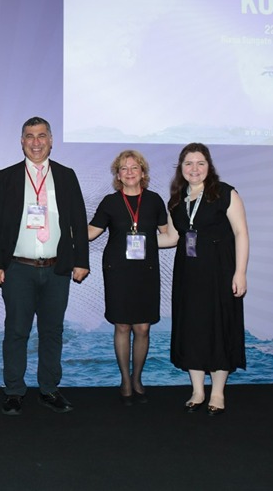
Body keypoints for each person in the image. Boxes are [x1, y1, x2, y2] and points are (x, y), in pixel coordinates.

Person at [0, 117, 90, 415]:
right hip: (18, 268)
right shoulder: (6, 177)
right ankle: (14, 391)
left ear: (51, 140)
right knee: (16, 331)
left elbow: (78, 221)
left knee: (52, 332)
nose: (36, 142)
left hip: (57, 269)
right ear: (22, 141)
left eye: (41, 135)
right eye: (30, 136)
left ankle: (49, 389)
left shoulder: (66, 175)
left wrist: (81, 261)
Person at [165, 143, 249, 416]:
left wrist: (240, 272)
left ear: (209, 166)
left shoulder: (225, 193)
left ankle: (218, 393)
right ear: (181, 168)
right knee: (192, 329)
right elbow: (173, 238)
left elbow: (241, 233)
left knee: (219, 328)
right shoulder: (176, 200)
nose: (194, 169)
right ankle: (198, 391)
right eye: (188, 163)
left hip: (220, 272)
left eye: (200, 163)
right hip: (188, 275)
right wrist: (134, 239)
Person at [87, 150, 172, 406]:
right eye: (123, 168)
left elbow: (168, 235)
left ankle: (137, 379)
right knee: (122, 326)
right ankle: (125, 380)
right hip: (117, 270)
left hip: (146, 270)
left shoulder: (155, 200)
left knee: (143, 328)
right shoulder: (110, 202)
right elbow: (90, 232)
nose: (129, 172)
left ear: (143, 173)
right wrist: (61, 228)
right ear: (118, 176)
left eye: (134, 167)